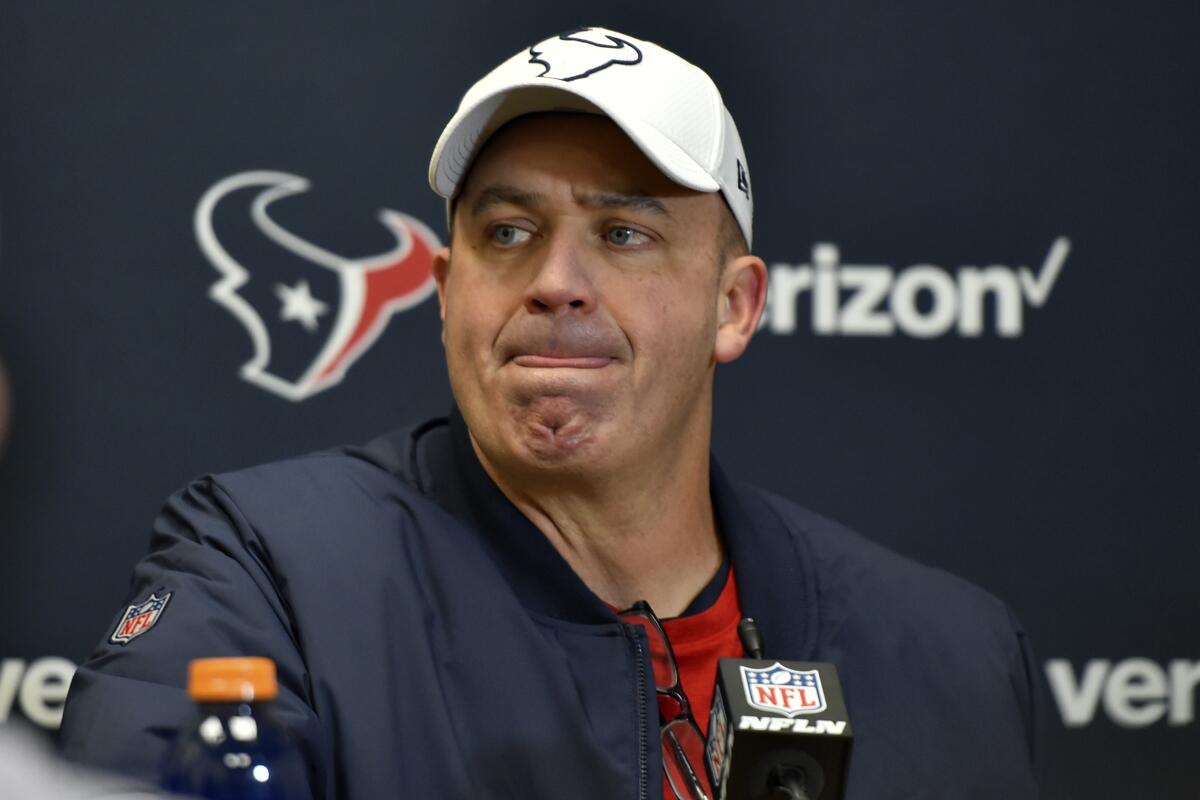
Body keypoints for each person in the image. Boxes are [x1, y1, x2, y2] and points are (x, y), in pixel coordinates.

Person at [60, 27, 1043, 799]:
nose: (556, 280)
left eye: (623, 231)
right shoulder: (268, 576)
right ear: (447, 290)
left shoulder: (948, 652)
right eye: (508, 231)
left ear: (733, 304)